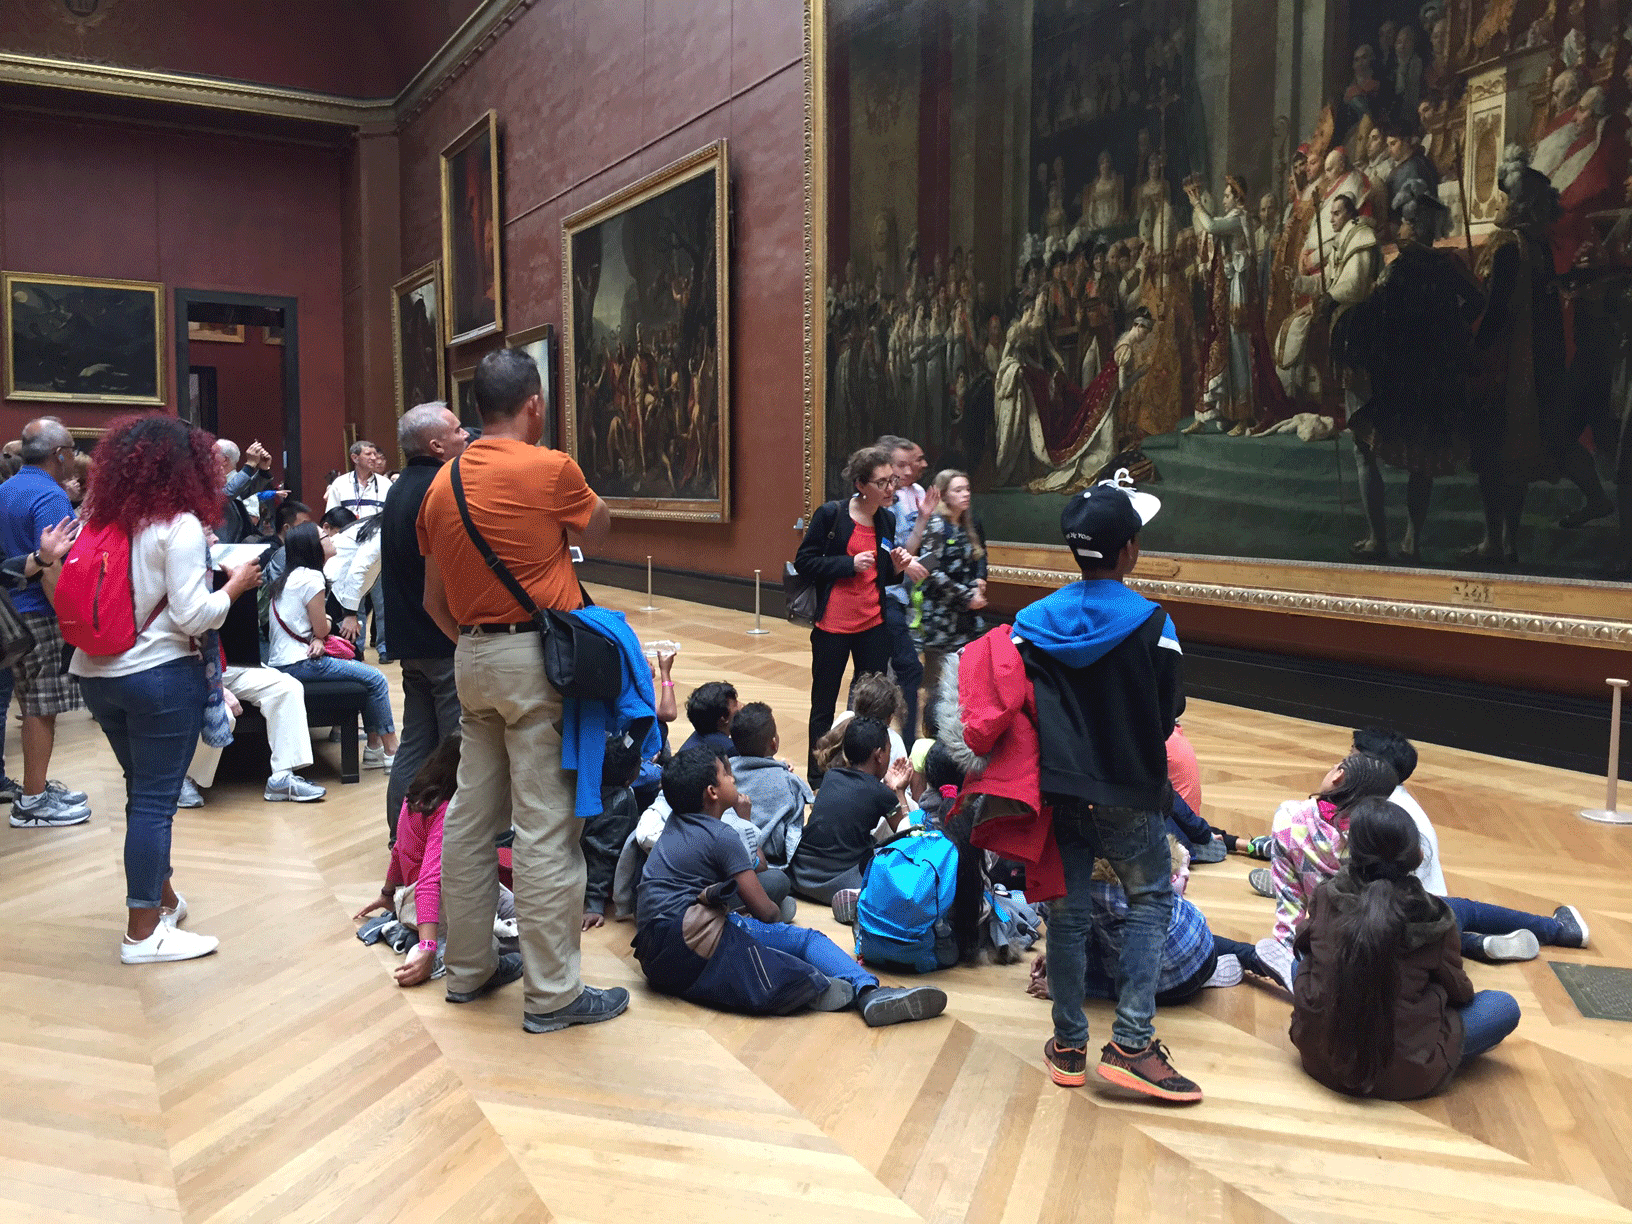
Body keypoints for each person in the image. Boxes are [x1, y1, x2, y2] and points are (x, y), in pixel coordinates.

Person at [418, 346, 627, 1034]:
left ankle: (470, 970)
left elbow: (433, 600)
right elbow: (601, 526)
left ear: (477, 410)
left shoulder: (441, 484)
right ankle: (554, 994)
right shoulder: (551, 467)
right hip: (536, 661)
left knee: (472, 819)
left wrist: (479, 649)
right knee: (544, 826)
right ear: (534, 404)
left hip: (470, 656)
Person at [1013, 473, 1199, 1102]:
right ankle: (1132, 1044)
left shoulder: (1030, 622)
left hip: (1058, 792)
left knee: (1064, 916)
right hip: (1128, 791)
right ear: (1128, 552)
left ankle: (1068, 1047)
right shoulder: (1153, 622)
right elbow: (1170, 709)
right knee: (1148, 900)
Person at [68, 414, 263, 962]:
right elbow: (195, 615)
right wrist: (237, 586)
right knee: (154, 803)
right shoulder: (175, 524)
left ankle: (162, 899)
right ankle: (141, 933)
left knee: (142, 794)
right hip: (157, 676)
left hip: (96, 673)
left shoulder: (96, 520)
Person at [633, 746, 947, 1026]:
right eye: (726, 774)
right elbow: (765, 912)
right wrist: (767, 917)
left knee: (751, 934)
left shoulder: (675, 822)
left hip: (655, 958)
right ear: (713, 793)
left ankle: (816, 984)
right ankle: (866, 990)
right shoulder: (722, 836)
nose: (733, 778)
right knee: (803, 940)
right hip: (691, 940)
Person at [1290, 798, 1521, 1100]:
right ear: (1418, 856)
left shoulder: (1325, 895)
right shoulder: (1435, 918)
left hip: (1320, 1058)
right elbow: (1461, 993)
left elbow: (1303, 949)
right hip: (1407, 1075)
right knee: (1503, 1006)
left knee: (1300, 965)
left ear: (1350, 850)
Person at [352, 734, 518, 987]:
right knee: (522, 938)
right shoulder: (446, 813)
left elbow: (398, 850)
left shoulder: (416, 799)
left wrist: (387, 894)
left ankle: (425, 939)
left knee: (522, 912)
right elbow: (430, 881)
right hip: (429, 906)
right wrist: (428, 947)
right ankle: (441, 953)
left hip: (410, 902)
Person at [381, 403, 469, 839]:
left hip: (410, 639)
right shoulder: (440, 487)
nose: (466, 435)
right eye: (457, 430)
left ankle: (402, 839)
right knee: (459, 746)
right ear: (436, 445)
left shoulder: (398, 488)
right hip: (442, 640)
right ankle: (446, 845)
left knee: (415, 744)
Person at [0, 417, 94, 827]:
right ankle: (33, 801)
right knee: (42, 708)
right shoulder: (52, 497)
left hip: (10, 612)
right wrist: (70, 620)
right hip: (39, 612)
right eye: (72, 450)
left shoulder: (5, 489)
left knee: (27, 704)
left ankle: (34, 787)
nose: (74, 458)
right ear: (59, 454)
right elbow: (55, 566)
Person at [793, 445, 906, 780]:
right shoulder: (832, 514)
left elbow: (882, 575)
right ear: (861, 484)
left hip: (873, 623)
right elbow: (805, 561)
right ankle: (817, 777)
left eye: (892, 481)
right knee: (824, 705)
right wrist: (848, 564)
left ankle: (862, 770)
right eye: (883, 482)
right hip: (833, 626)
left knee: (871, 707)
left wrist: (896, 569)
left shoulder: (886, 518)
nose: (890, 489)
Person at [266, 522, 399, 768]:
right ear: (313, 547)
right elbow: (322, 628)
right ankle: (392, 751)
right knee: (377, 679)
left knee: (366, 678)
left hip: (286, 660)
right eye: (325, 536)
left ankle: (374, 749)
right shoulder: (312, 577)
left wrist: (319, 635)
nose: (332, 539)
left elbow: (311, 629)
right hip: (300, 663)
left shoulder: (292, 576)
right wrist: (324, 625)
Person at [789, 717, 912, 904]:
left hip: (801, 876)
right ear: (879, 755)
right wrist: (898, 791)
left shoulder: (830, 777)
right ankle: (857, 900)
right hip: (841, 880)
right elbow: (906, 835)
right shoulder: (881, 793)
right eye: (888, 751)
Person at [180, 657, 326, 805]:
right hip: (196, 673)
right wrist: (216, 688)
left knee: (289, 687)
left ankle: (282, 778)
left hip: (236, 666)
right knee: (221, 716)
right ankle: (183, 779)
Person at [913, 469, 987, 736]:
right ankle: (931, 734)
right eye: (958, 490)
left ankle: (960, 730)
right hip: (941, 618)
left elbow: (979, 557)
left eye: (967, 488)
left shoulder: (967, 523)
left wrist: (979, 581)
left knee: (966, 677)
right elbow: (930, 570)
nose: (965, 494)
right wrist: (966, 597)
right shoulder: (936, 525)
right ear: (944, 495)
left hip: (966, 619)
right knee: (935, 682)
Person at [877, 437, 930, 737]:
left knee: (879, 672)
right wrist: (903, 563)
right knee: (906, 669)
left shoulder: (911, 496)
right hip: (883, 597)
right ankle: (906, 740)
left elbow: (905, 546)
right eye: (900, 465)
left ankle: (882, 737)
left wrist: (923, 517)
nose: (907, 471)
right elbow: (882, 551)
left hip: (900, 597)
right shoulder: (881, 506)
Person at [324, 439, 390, 661]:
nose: (374, 458)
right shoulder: (340, 484)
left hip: (379, 548)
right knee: (354, 600)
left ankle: (385, 648)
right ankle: (355, 648)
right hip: (351, 548)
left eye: (375, 454)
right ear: (354, 458)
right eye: (368, 454)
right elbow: (331, 516)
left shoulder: (385, 484)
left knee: (383, 603)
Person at [727, 702, 813, 869]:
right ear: (774, 744)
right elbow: (792, 833)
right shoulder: (790, 782)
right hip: (768, 861)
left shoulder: (725, 771)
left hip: (727, 852)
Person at [581, 730, 643, 930]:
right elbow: (604, 852)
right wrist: (594, 906)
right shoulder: (622, 801)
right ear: (630, 779)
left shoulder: (591, 785)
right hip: (600, 876)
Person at [213, 438, 275, 545]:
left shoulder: (237, 481)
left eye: (212, 454)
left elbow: (243, 491)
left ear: (224, 460)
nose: (207, 458)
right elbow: (227, 493)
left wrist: (263, 470)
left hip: (231, 546)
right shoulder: (202, 483)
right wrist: (250, 465)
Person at [677, 681, 738, 755]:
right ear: (724, 718)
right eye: (735, 704)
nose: (741, 705)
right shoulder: (729, 749)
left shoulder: (698, 735)